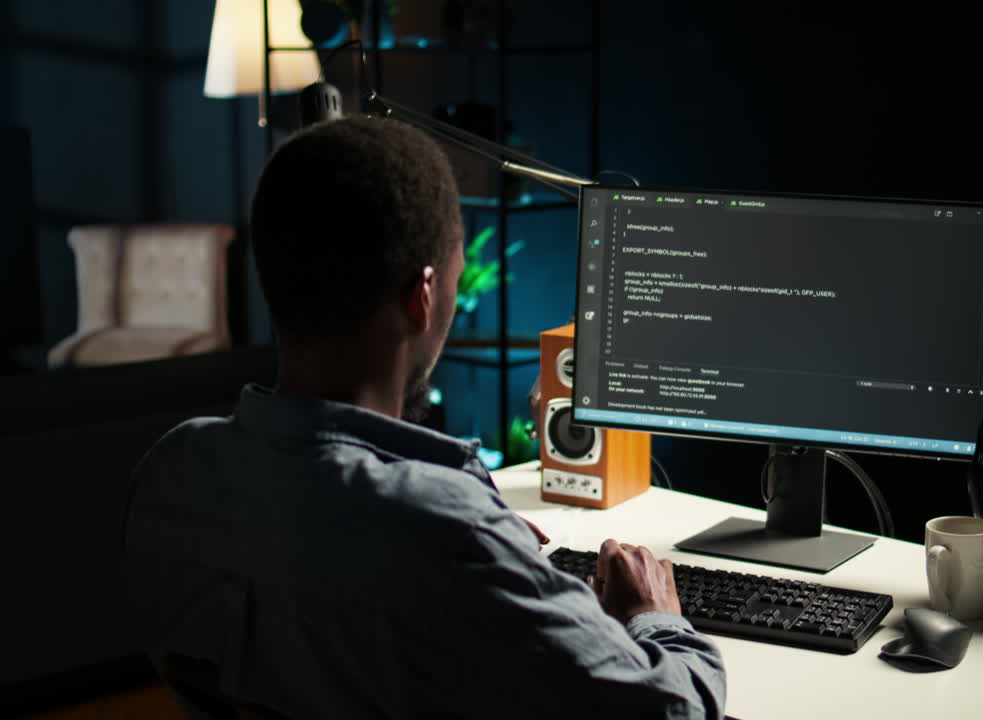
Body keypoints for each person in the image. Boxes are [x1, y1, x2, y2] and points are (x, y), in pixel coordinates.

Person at [118, 115, 726, 719]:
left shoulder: (173, 472)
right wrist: (656, 618)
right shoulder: (444, 534)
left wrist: (468, 521)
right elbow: (673, 712)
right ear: (425, 295)